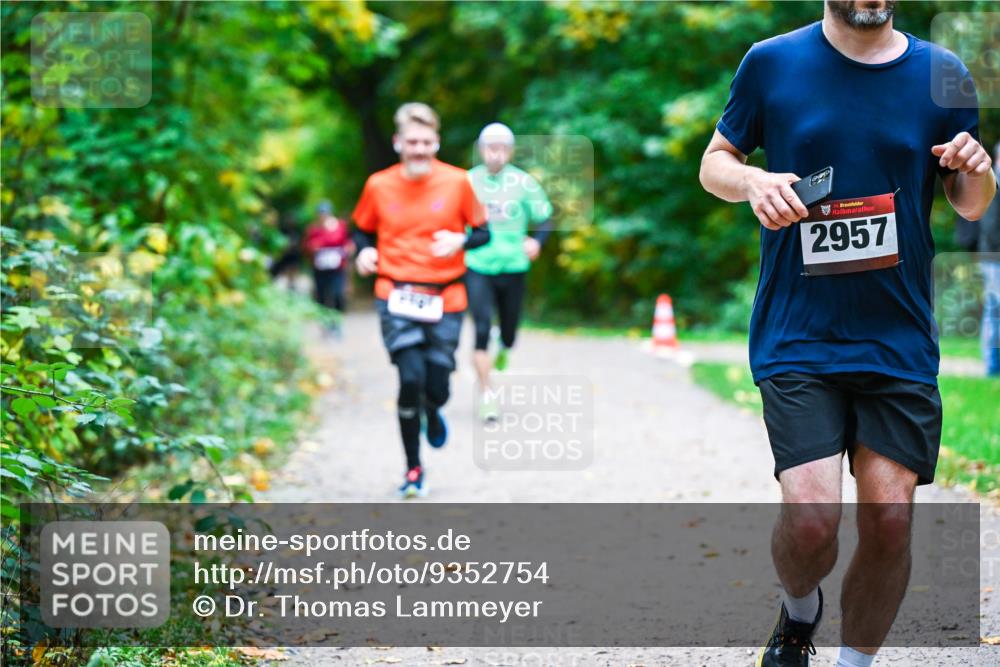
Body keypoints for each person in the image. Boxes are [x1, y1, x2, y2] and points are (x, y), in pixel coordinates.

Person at [698, 2, 996, 666]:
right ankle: (799, 614)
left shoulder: (942, 73)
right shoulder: (771, 62)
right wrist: (750, 180)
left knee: (890, 522)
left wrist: (976, 166)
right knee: (810, 519)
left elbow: (970, 200)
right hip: (798, 332)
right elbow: (715, 162)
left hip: (897, 338)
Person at [351, 102, 488, 498]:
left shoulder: (459, 182)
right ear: (398, 143)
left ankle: (433, 408)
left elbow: (483, 233)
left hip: (446, 296)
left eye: (427, 142)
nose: (420, 150)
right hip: (395, 293)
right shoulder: (378, 185)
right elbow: (360, 230)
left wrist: (460, 238)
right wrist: (363, 252)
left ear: (437, 142)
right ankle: (413, 469)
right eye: (412, 142)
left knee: (438, 385)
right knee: (409, 378)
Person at [465, 122, 553, 421]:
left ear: (511, 151)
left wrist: (537, 242)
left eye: (503, 147)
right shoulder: (466, 182)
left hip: (514, 265)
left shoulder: (524, 183)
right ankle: (487, 395)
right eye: (491, 147)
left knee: (510, 331)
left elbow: (546, 217)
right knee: (479, 328)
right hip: (477, 264)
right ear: (481, 149)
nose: (497, 153)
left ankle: (504, 345)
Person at [303, 201, 353, 329]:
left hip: (337, 267)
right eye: (321, 213)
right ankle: (325, 322)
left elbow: (348, 243)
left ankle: (337, 321)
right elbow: (306, 246)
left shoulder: (340, 226)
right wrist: (313, 248)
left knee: (337, 294)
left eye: (325, 212)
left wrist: (347, 250)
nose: (323, 215)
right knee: (321, 296)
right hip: (320, 268)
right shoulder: (314, 229)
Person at [980, 143, 1000, 376]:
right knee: (994, 311)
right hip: (993, 258)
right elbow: (990, 228)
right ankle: (992, 365)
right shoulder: (991, 183)